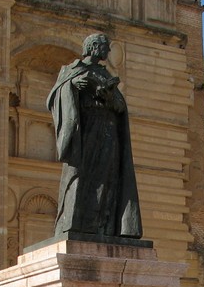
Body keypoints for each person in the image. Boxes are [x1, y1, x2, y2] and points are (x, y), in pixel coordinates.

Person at [47, 33, 143, 239]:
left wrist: (107, 95)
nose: (107, 51)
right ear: (92, 47)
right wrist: (72, 87)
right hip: (85, 130)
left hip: (108, 131)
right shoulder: (71, 71)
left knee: (107, 179)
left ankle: (103, 226)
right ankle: (75, 225)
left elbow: (119, 106)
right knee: (80, 176)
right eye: (104, 47)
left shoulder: (106, 74)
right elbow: (53, 98)